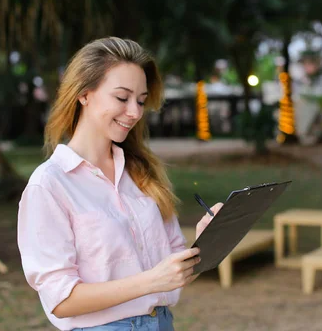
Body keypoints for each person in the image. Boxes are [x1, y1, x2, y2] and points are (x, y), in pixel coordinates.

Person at [17, 37, 222, 331]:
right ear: (84, 94)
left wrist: (205, 243)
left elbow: (172, 271)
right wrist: (151, 280)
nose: (136, 113)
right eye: (122, 98)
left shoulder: (142, 174)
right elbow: (61, 300)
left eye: (140, 101)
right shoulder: (49, 184)